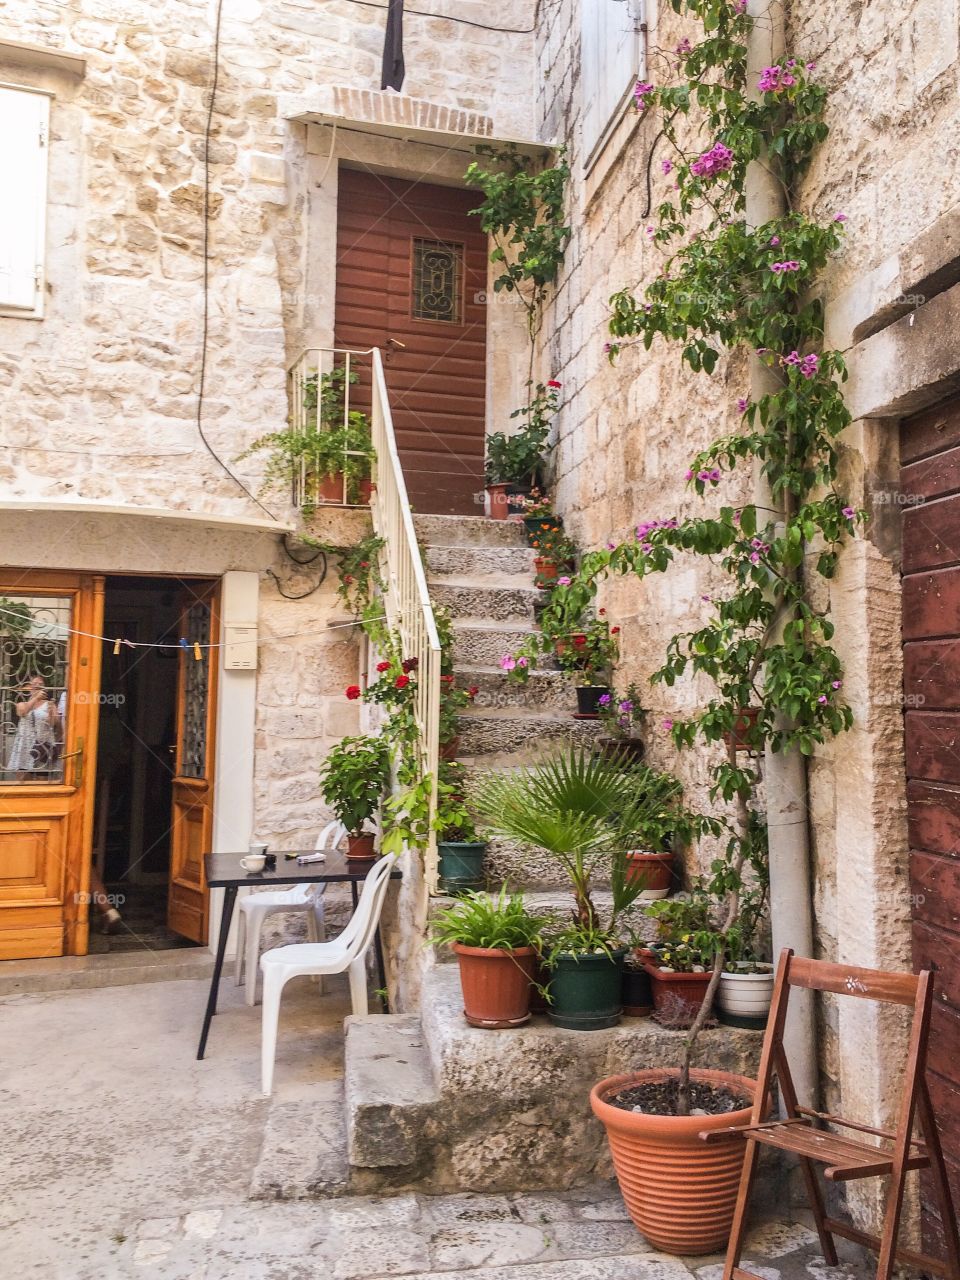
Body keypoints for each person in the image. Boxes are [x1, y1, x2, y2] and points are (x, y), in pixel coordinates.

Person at [6, 676, 60, 781]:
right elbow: (22, 712)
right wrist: (35, 698)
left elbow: (54, 724)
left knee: (42, 782)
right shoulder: (22, 703)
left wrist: (50, 712)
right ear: (29, 688)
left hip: (42, 746)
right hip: (24, 747)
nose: (38, 685)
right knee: (22, 781)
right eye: (34, 683)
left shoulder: (50, 705)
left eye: (40, 684)